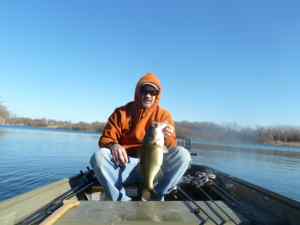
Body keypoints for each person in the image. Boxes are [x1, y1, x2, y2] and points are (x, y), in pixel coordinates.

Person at [90, 73, 191, 201]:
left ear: (157, 95)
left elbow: (171, 148)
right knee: (99, 156)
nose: (148, 95)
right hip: (125, 164)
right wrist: (113, 145)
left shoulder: (164, 115)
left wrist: (167, 137)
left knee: (183, 154)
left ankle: (157, 195)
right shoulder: (121, 113)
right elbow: (105, 139)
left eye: (153, 92)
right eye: (145, 90)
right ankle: (121, 200)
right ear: (138, 91)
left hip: (154, 166)